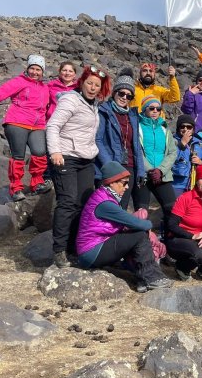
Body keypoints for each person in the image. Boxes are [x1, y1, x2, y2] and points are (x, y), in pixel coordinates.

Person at [47, 65, 110, 268]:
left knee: (84, 204)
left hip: (86, 159)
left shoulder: (93, 105)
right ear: (81, 82)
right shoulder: (70, 100)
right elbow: (53, 125)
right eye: (89, 83)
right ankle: (59, 250)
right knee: (67, 202)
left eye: (96, 85)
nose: (92, 88)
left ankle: (76, 247)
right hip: (65, 157)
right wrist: (55, 151)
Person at [0, 54, 53, 202]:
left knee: (39, 152)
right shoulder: (19, 81)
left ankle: (37, 183)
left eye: (38, 69)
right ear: (27, 68)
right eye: (32, 68)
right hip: (17, 122)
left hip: (37, 125)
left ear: (42, 72)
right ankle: (16, 188)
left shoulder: (45, 87)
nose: (34, 72)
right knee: (18, 156)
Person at [76, 161, 172, 291]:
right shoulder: (105, 204)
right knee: (139, 235)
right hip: (91, 251)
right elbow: (135, 223)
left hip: (94, 247)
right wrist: (149, 226)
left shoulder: (106, 197)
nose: (127, 187)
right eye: (124, 183)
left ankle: (142, 280)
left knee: (134, 236)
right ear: (111, 182)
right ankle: (152, 278)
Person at [95, 68, 145, 210]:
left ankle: (116, 233)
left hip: (129, 167)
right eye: (121, 93)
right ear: (114, 92)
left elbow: (135, 145)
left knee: (122, 207)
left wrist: (140, 170)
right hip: (111, 165)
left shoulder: (133, 116)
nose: (124, 98)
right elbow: (97, 140)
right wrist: (111, 166)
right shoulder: (104, 111)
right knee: (108, 206)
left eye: (129, 96)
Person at [136, 96, 178, 227]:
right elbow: (136, 150)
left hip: (162, 175)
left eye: (158, 109)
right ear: (144, 110)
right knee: (141, 213)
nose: (155, 111)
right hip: (143, 176)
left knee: (172, 210)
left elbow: (172, 152)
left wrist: (160, 170)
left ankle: (169, 240)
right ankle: (141, 243)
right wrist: (150, 169)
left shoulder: (165, 130)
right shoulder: (137, 127)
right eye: (151, 108)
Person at [171, 115, 202, 196]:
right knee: (176, 207)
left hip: (194, 183)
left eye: (189, 127)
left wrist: (200, 161)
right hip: (177, 183)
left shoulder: (198, 143)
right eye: (182, 127)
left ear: (193, 129)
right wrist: (182, 144)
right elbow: (170, 160)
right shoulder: (172, 141)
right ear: (178, 128)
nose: (185, 129)